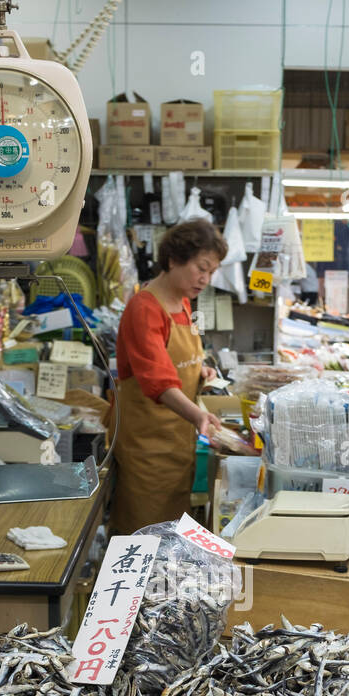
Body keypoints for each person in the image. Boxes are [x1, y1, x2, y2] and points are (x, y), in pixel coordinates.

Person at [110, 220, 226, 535]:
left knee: (170, 535)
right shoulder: (145, 308)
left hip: (177, 443)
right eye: (201, 268)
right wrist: (198, 415)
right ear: (174, 259)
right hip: (148, 447)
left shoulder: (183, 302)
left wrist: (198, 371)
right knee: (143, 536)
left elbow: (175, 360)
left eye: (212, 273)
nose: (205, 279)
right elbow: (157, 381)